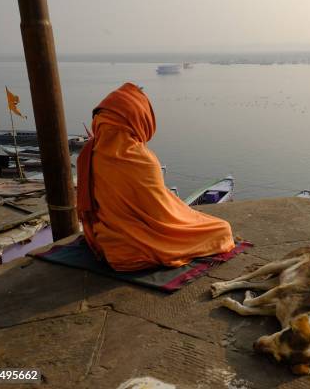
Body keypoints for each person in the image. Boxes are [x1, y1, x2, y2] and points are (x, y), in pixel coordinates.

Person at [76, 83, 235, 271]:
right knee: (222, 229)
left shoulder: (89, 153)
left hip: (108, 241)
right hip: (138, 246)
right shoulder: (141, 159)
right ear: (138, 118)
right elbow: (161, 215)